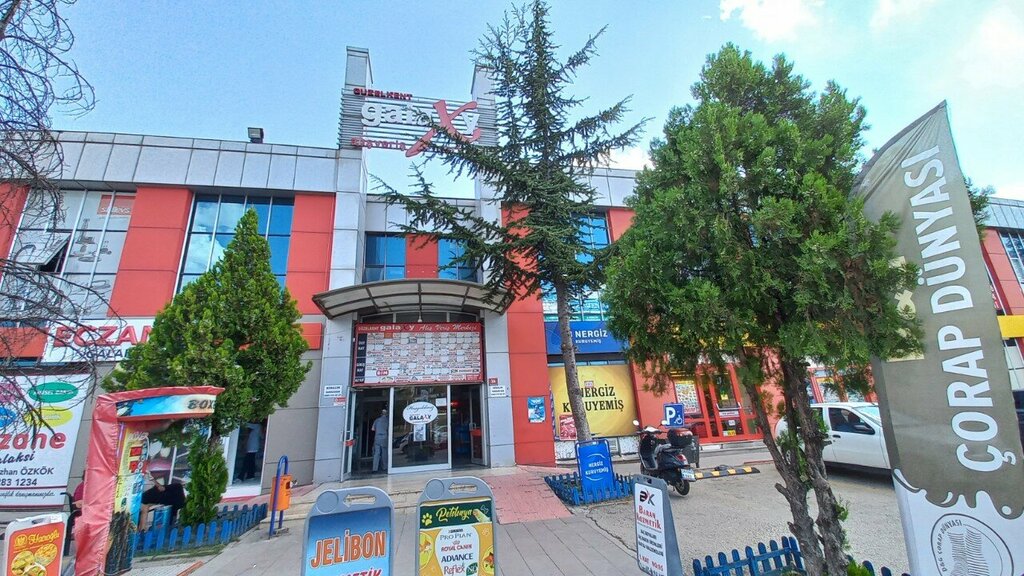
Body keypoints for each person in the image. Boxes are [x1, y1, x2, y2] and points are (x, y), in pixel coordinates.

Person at [371, 408, 389, 473]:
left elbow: (373, 429)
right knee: (384, 452)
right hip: (384, 437)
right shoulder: (387, 421)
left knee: (377, 453)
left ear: (381, 414)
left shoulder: (377, 420)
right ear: (386, 414)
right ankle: (385, 467)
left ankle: (374, 469)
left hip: (377, 437)